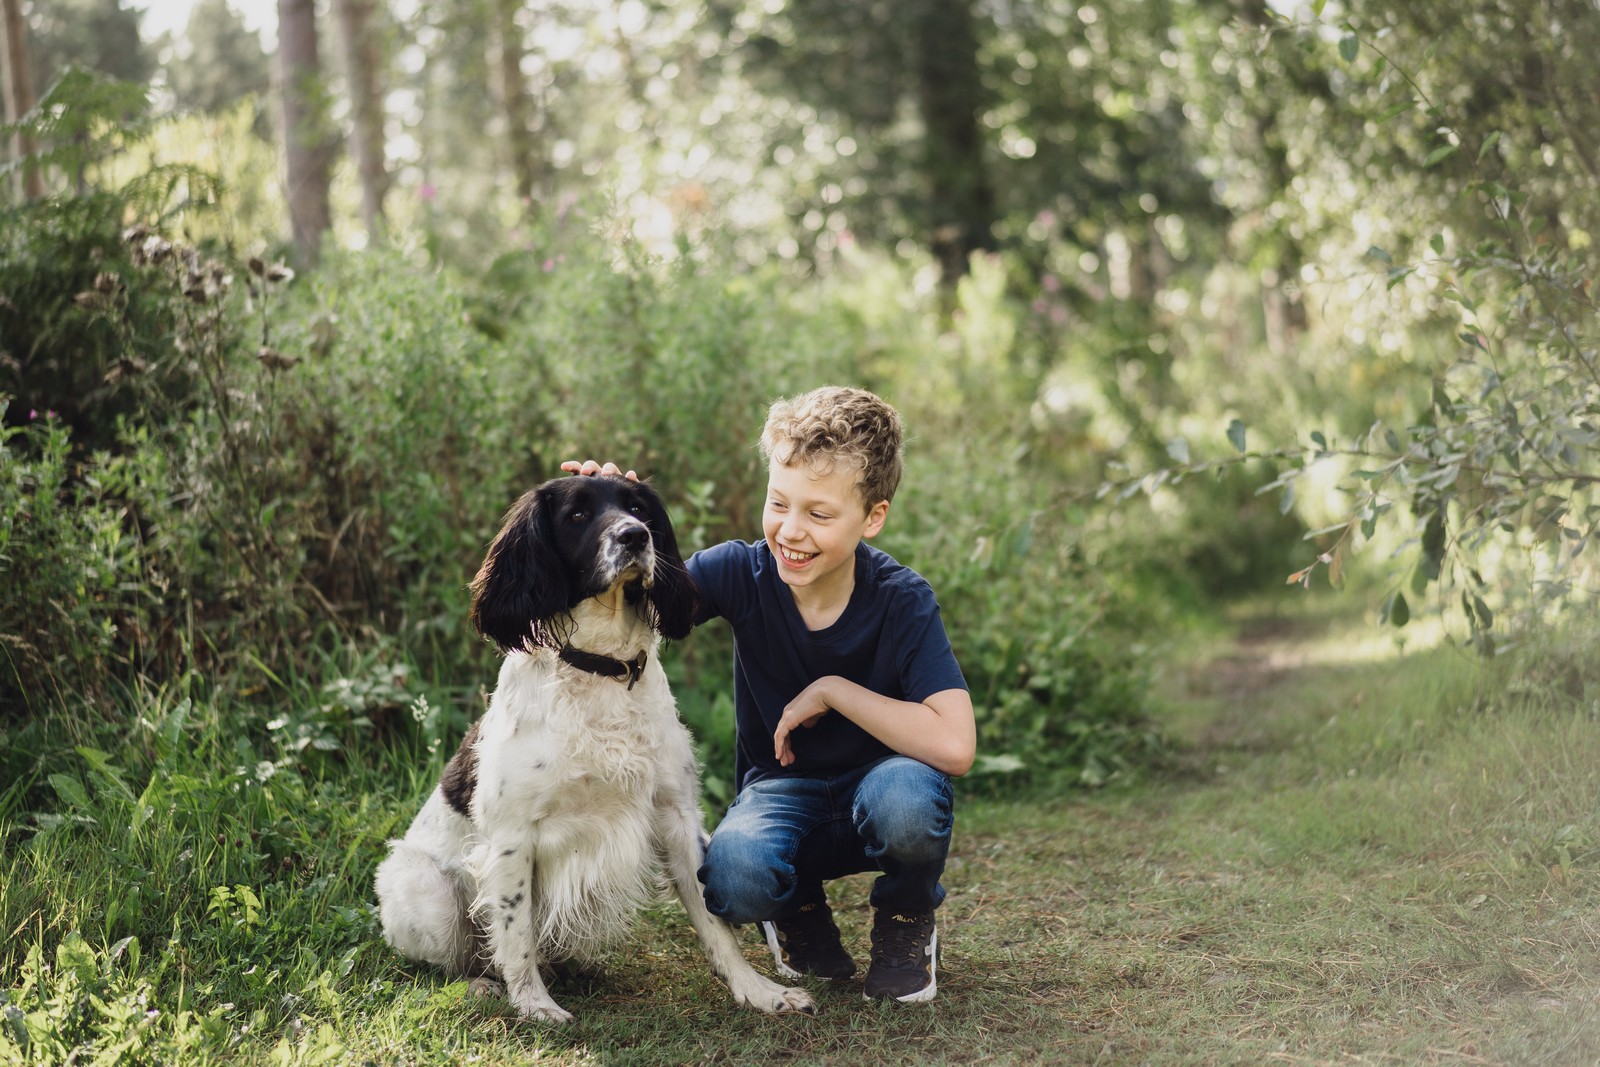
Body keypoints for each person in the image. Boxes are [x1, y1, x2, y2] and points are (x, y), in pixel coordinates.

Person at [562, 385, 974, 1003]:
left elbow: (954, 745)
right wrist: (611, 515)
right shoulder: (738, 573)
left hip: (883, 785)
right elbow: (648, 597)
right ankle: (796, 909)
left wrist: (835, 691)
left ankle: (908, 919)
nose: (791, 530)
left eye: (820, 514)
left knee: (910, 800)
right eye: (779, 502)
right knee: (733, 877)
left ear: (874, 516)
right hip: (781, 791)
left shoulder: (902, 599)